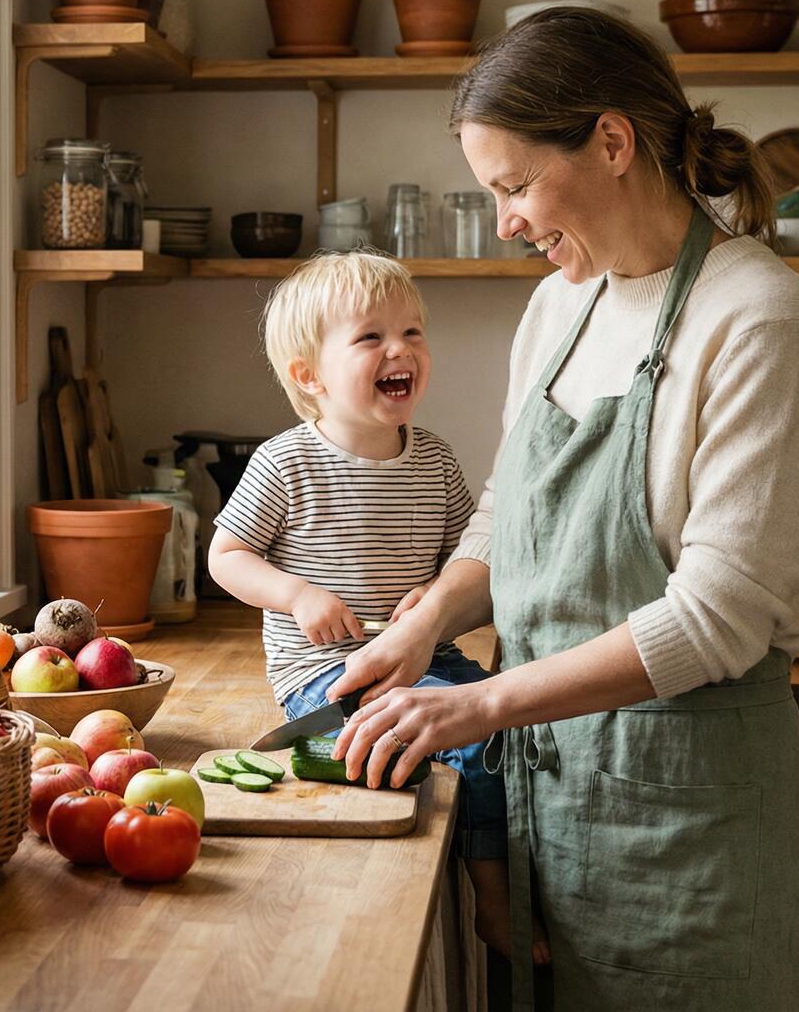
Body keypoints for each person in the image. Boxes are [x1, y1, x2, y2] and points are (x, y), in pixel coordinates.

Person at [326, 7, 799, 1010]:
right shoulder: (561, 306)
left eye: (516, 186)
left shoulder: (759, 319)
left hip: (692, 834)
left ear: (612, 142)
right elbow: (508, 515)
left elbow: (716, 618)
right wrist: (428, 621)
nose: (507, 222)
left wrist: (475, 703)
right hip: (547, 810)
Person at [206, 250, 547, 965]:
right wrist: (296, 594)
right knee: (481, 753)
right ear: (309, 375)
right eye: (370, 338)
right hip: (326, 676)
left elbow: (470, 562)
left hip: (428, 658)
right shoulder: (284, 462)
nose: (401, 350)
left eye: (413, 333)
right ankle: (496, 904)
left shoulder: (436, 460)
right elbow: (226, 557)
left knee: (518, 734)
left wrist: (434, 595)